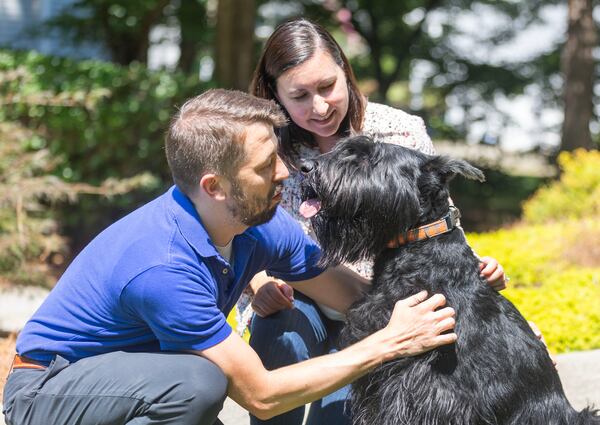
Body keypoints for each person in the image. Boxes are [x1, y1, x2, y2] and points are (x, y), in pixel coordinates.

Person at [1, 89, 458, 425]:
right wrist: (388, 343)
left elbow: (351, 294)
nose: (285, 170)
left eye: (278, 155)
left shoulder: (260, 222)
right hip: (48, 392)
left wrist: (465, 316)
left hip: (142, 380)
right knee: (197, 384)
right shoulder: (162, 265)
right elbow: (260, 396)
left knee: (192, 383)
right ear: (215, 188)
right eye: (264, 166)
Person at [244, 18, 507, 425]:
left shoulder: (401, 132)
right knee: (279, 338)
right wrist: (257, 281)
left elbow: (440, 217)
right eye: (299, 95)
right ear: (274, 94)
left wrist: (478, 277)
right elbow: (238, 228)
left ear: (345, 73)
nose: (320, 106)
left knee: (340, 417)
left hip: (385, 307)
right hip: (302, 297)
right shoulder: (262, 146)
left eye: (327, 86)